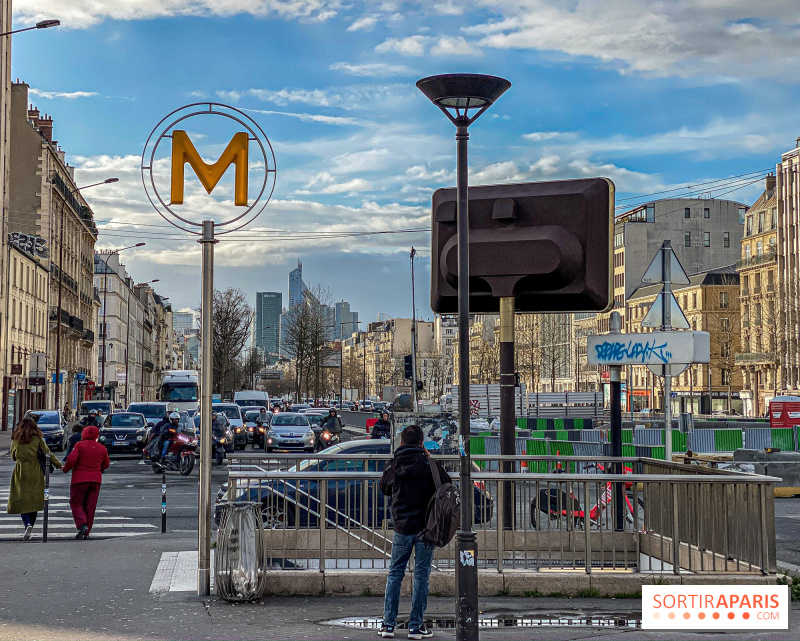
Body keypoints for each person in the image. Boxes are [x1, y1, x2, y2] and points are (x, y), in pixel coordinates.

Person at [379, 424, 450, 639]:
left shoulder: (394, 465)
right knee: (421, 576)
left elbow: (384, 488)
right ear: (422, 442)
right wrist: (429, 457)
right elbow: (447, 486)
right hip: (425, 529)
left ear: (401, 442)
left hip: (401, 527)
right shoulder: (430, 464)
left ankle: (388, 625)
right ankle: (416, 626)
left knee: (395, 574)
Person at [6, 417, 63, 541]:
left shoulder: (16, 439)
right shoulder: (37, 439)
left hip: (20, 470)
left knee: (22, 500)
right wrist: (59, 465)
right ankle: (31, 524)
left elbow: (13, 457)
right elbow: (47, 453)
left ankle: (28, 524)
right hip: (35, 470)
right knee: (34, 500)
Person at [62, 425, 110, 539]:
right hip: (95, 480)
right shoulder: (101, 448)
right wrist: (99, 469)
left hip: (79, 479)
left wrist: (65, 469)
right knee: (90, 506)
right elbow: (106, 464)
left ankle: (82, 524)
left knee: (76, 502)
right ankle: (87, 531)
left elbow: (72, 459)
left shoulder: (79, 445)